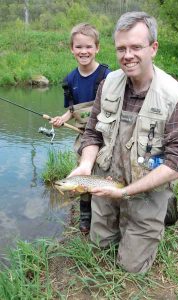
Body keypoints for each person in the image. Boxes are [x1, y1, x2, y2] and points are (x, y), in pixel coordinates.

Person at [68, 12, 178, 273]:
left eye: (136, 47)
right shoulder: (108, 83)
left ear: (153, 48)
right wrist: (85, 164)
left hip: (146, 191)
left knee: (130, 268)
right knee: (100, 247)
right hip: (106, 184)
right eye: (121, 48)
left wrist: (126, 192)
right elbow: (92, 133)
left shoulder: (176, 98)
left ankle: (161, 214)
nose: (128, 55)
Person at [51, 23, 111, 234]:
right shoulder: (69, 79)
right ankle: (86, 213)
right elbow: (71, 109)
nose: (83, 51)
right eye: (78, 47)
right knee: (82, 172)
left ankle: (107, 208)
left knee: (105, 170)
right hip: (83, 134)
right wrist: (62, 118)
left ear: (97, 48)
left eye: (88, 47)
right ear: (71, 49)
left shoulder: (107, 74)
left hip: (106, 130)